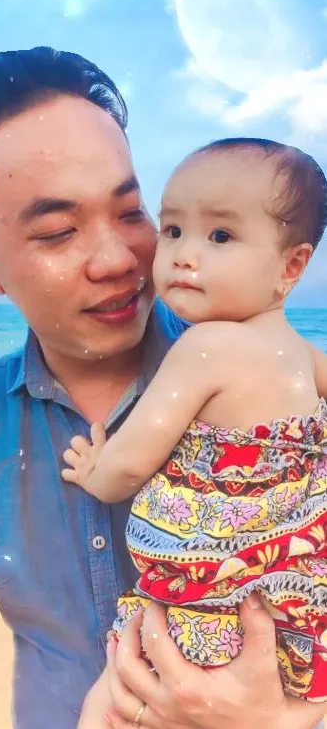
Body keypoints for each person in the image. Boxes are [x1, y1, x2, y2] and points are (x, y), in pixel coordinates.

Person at [0, 47, 324, 729]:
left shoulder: (258, 383)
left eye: (132, 213)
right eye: (57, 231)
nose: (118, 261)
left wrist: (289, 718)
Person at [62, 138, 327, 728]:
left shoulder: (207, 346)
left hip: (204, 608)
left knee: (102, 707)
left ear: (291, 266)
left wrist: (94, 472)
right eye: (173, 229)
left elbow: (132, 461)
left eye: (221, 237)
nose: (183, 255)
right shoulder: (302, 355)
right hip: (292, 616)